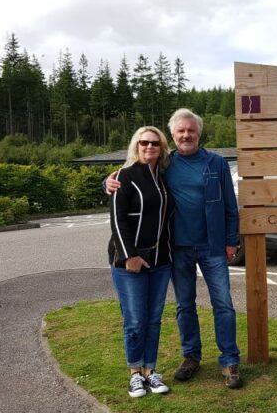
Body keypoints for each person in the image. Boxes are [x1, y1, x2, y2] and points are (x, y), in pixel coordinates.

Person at [106, 108, 243, 389]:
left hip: (212, 246)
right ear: (173, 135)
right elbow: (131, 177)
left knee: (224, 305)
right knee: (185, 306)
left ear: (199, 133)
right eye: (181, 131)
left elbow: (231, 206)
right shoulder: (167, 163)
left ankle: (229, 360)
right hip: (177, 248)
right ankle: (191, 356)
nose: (186, 135)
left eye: (191, 130)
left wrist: (232, 241)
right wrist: (105, 182)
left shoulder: (216, 163)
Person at [108, 126, 174, 398]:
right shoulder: (123, 176)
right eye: (144, 142)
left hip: (160, 260)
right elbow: (117, 219)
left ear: (162, 148)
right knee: (135, 320)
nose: (149, 147)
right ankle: (135, 374)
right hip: (130, 262)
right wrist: (129, 256)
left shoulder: (163, 177)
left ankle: (150, 370)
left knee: (154, 319)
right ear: (136, 146)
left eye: (155, 143)